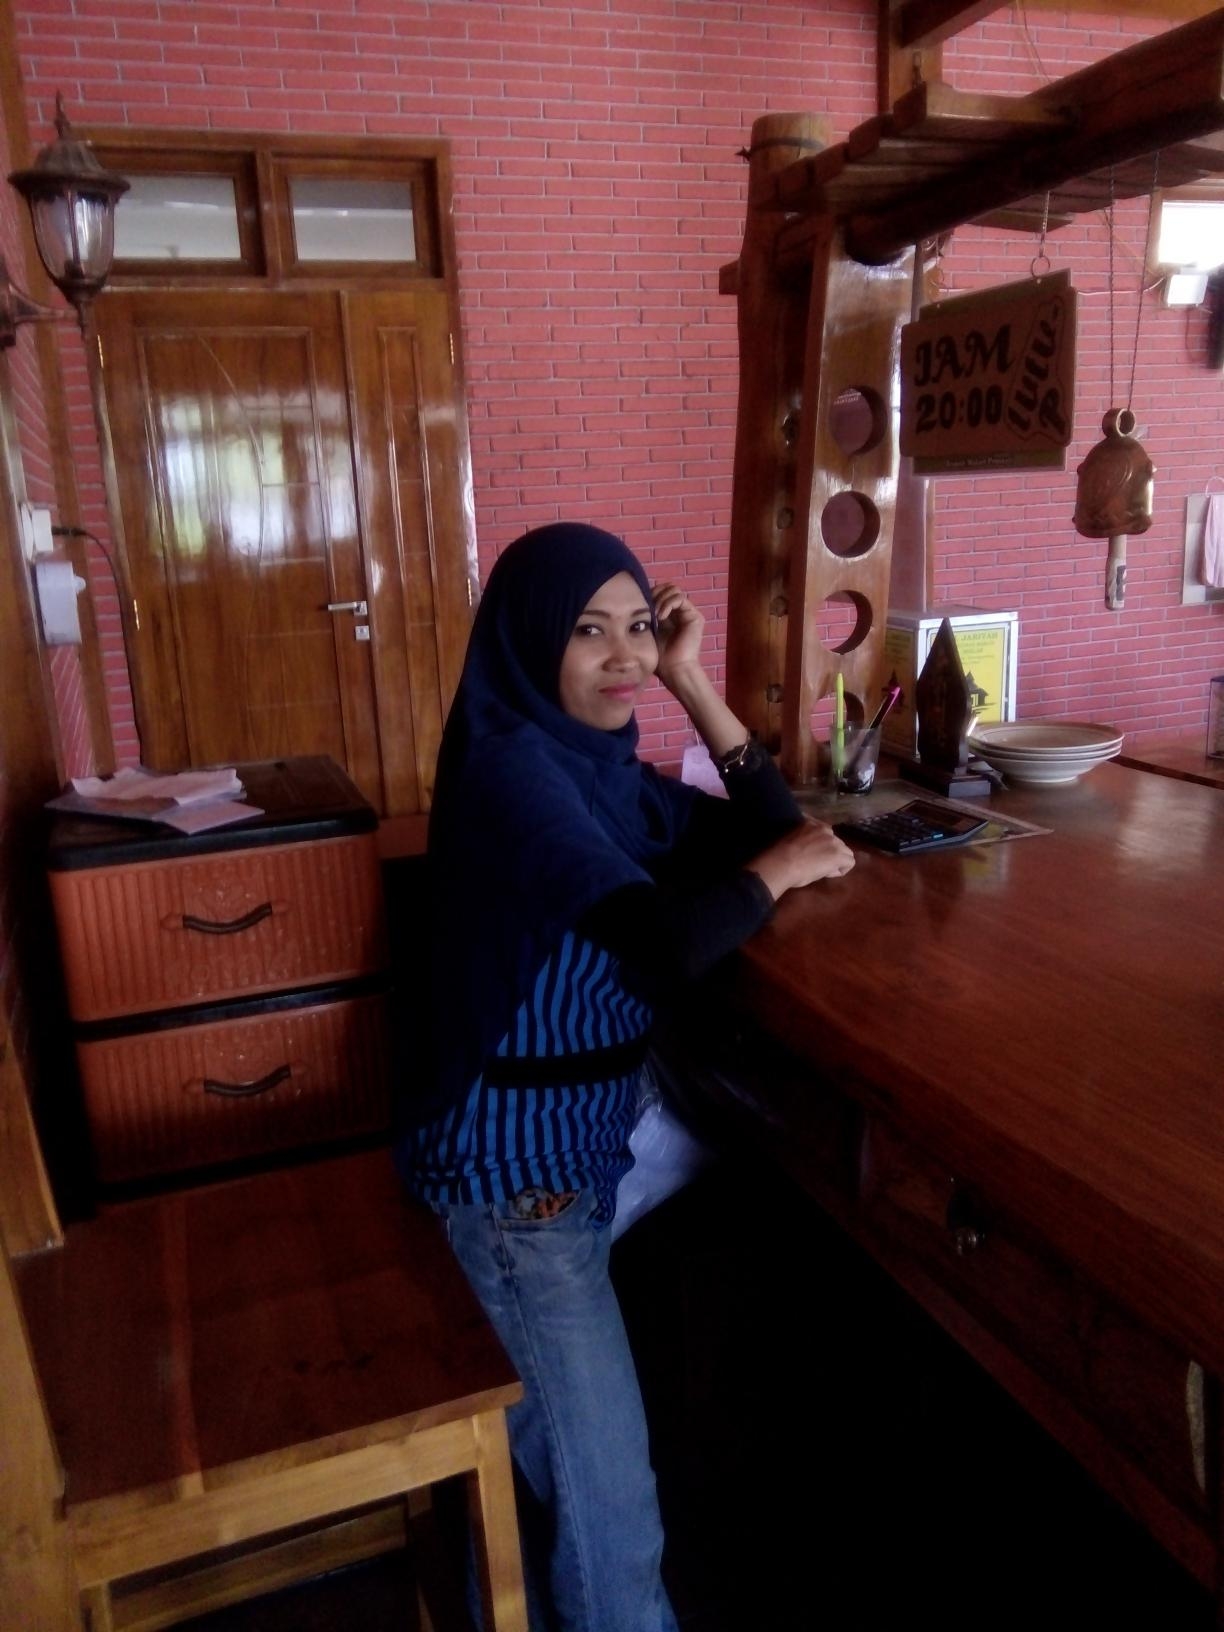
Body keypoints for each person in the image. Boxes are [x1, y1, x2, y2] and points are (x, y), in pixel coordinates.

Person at [397, 521, 854, 1632]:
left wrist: (694, 682)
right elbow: (663, 942)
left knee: (556, 1480)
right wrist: (773, 875)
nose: (625, 657)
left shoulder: (597, 770)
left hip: (582, 1145)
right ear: (528, 643)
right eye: (588, 631)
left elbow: (776, 826)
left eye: (640, 628)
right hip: (515, 1190)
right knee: (612, 1522)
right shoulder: (513, 777)